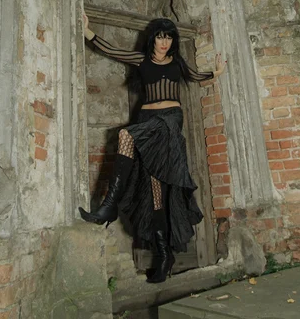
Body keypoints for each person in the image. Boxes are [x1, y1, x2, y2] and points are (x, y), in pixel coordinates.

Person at [79, 15, 226, 283]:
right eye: (160, 36)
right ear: (153, 39)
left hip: (169, 121)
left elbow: (196, 75)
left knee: (125, 134)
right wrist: (88, 32)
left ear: (173, 41)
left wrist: (215, 73)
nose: (164, 42)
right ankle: (164, 255)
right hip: (147, 122)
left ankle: (109, 206)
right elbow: (112, 50)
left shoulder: (178, 63)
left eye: (168, 37)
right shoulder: (142, 60)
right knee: (155, 193)